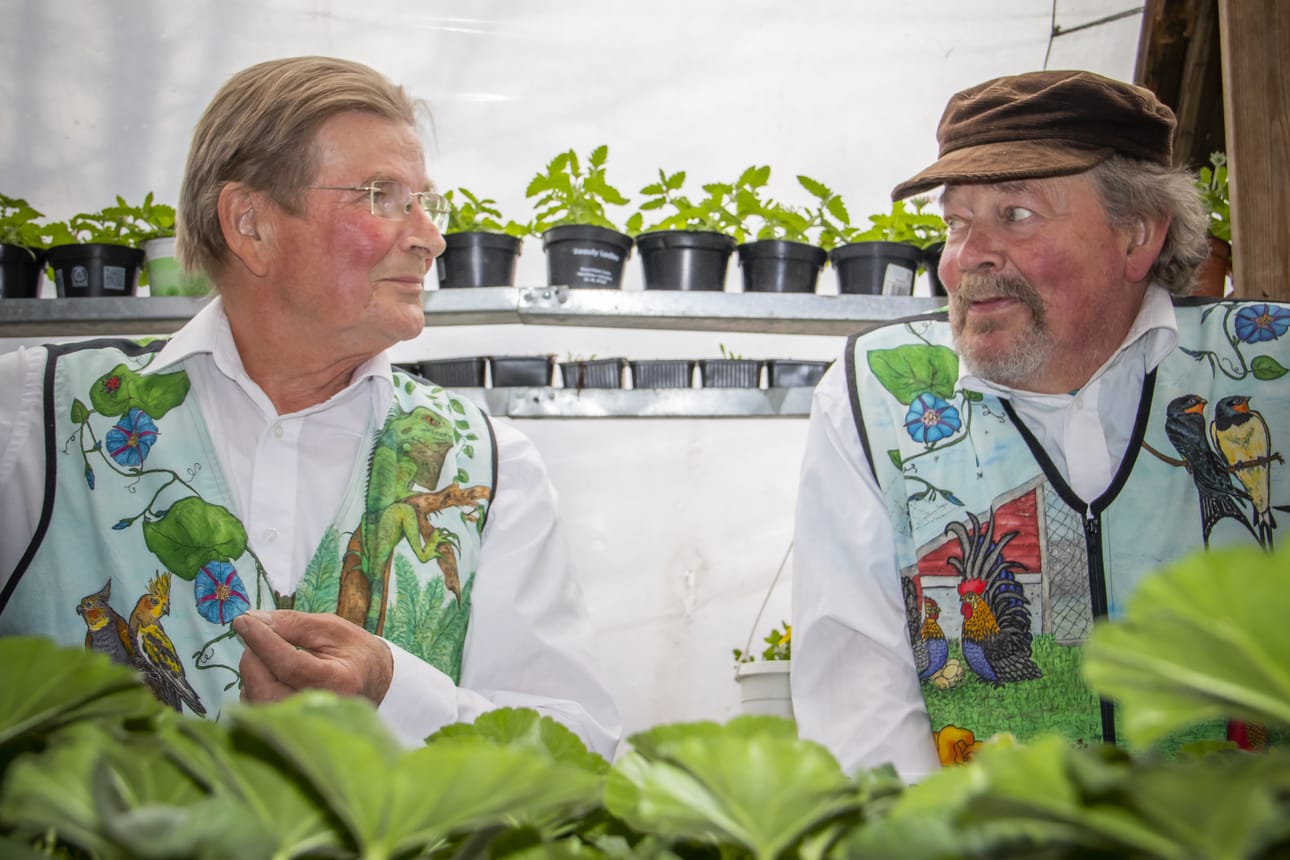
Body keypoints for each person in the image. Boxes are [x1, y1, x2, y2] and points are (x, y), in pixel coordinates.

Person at [0, 56, 621, 758]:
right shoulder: (32, 416)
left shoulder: (493, 464)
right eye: (383, 196)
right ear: (250, 224)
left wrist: (393, 692)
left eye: (425, 201)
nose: (430, 237)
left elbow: (579, 752)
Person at [791, 69, 1290, 781]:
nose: (966, 257)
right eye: (956, 223)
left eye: (1015, 214)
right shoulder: (872, 395)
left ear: (1138, 234)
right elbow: (857, 708)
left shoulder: (1272, 371)